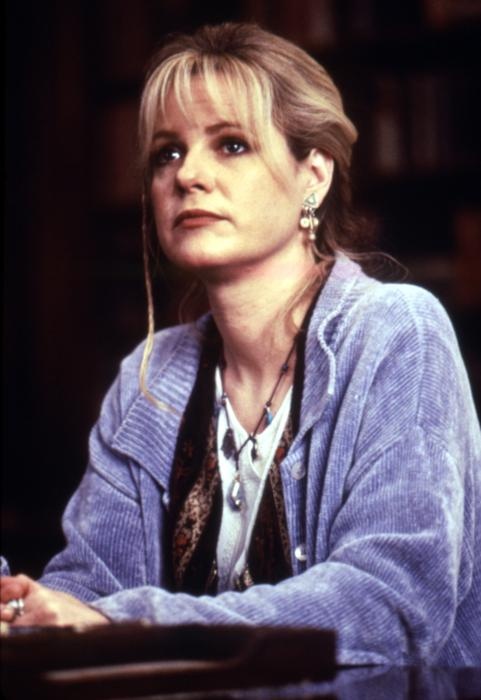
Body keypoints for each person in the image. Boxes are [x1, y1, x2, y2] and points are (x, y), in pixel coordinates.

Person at [1, 22, 480, 666]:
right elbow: (87, 592)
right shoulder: (148, 376)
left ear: (314, 175)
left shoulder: (398, 334)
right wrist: (25, 609)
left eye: (231, 145)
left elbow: (388, 604)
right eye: (167, 153)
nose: (189, 175)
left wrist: (124, 622)